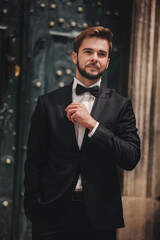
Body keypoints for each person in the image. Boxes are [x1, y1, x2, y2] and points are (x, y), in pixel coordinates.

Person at [24, 26, 141, 240]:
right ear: (75, 56)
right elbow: (34, 161)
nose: (95, 58)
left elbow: (131, 157)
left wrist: (93, 125)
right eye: (88, 51)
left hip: (100, 216)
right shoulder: (47, 104)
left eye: (102, 54)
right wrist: (33, 206)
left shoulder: (121, 105)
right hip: (51, 214)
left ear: (108, 62)